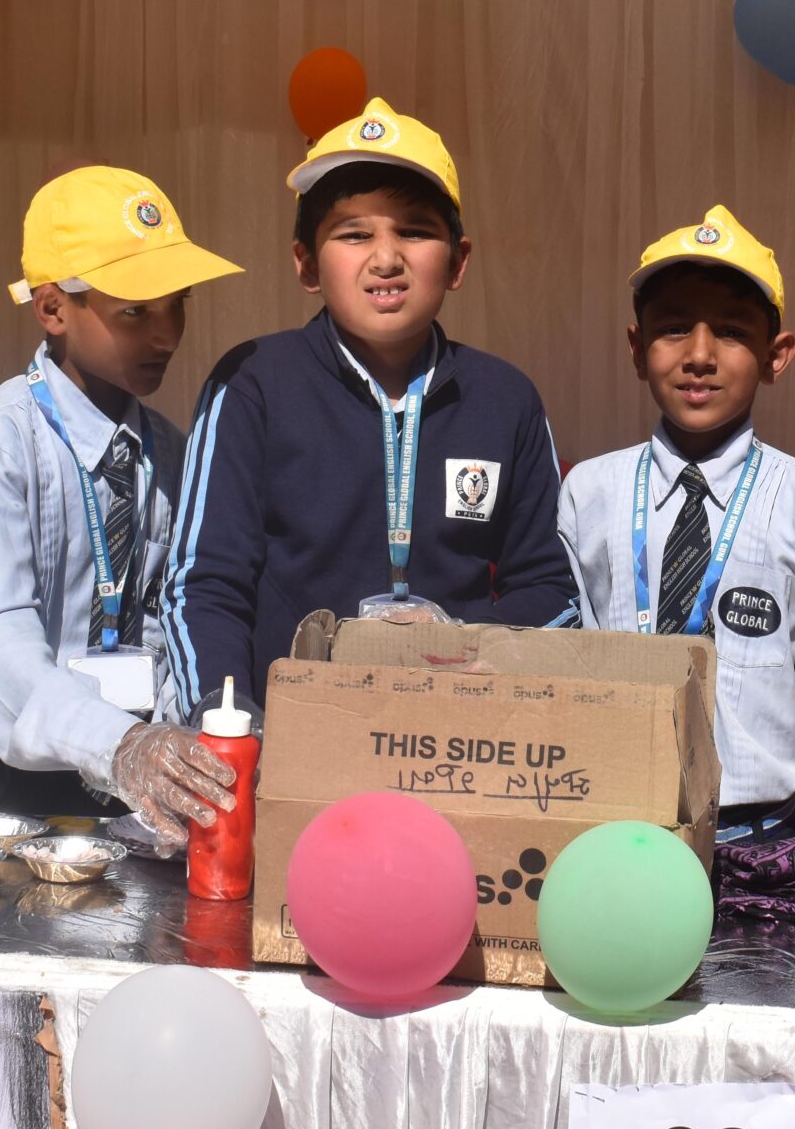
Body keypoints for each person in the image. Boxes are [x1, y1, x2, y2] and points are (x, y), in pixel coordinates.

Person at [163, 100, 578, 718]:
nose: (386, 259)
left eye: (414, 231)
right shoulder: (252, 383)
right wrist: (226, 720)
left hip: (455, 737)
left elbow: (550, 589)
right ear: (306, 264)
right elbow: (205, 584)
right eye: (354, 234)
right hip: (288, 737)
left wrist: (466, 646)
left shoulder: (505, 398)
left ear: (458, 261)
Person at [0, 167, 246, 835]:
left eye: (177, 304)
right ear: (53, 309)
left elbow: (169, 616)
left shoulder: (170, 451)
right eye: (136, 312)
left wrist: (165, 738)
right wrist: (117, 744)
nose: (167, 334)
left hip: (122, 770)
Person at [557, 207, 795, 853]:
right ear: (636, 350)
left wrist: (791, 808)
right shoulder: (589, 492)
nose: (699, 355)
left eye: (730, 332)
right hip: (613, 822)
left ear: (776, 356)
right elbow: (569, 654)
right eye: (673, 328)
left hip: (758, 831)